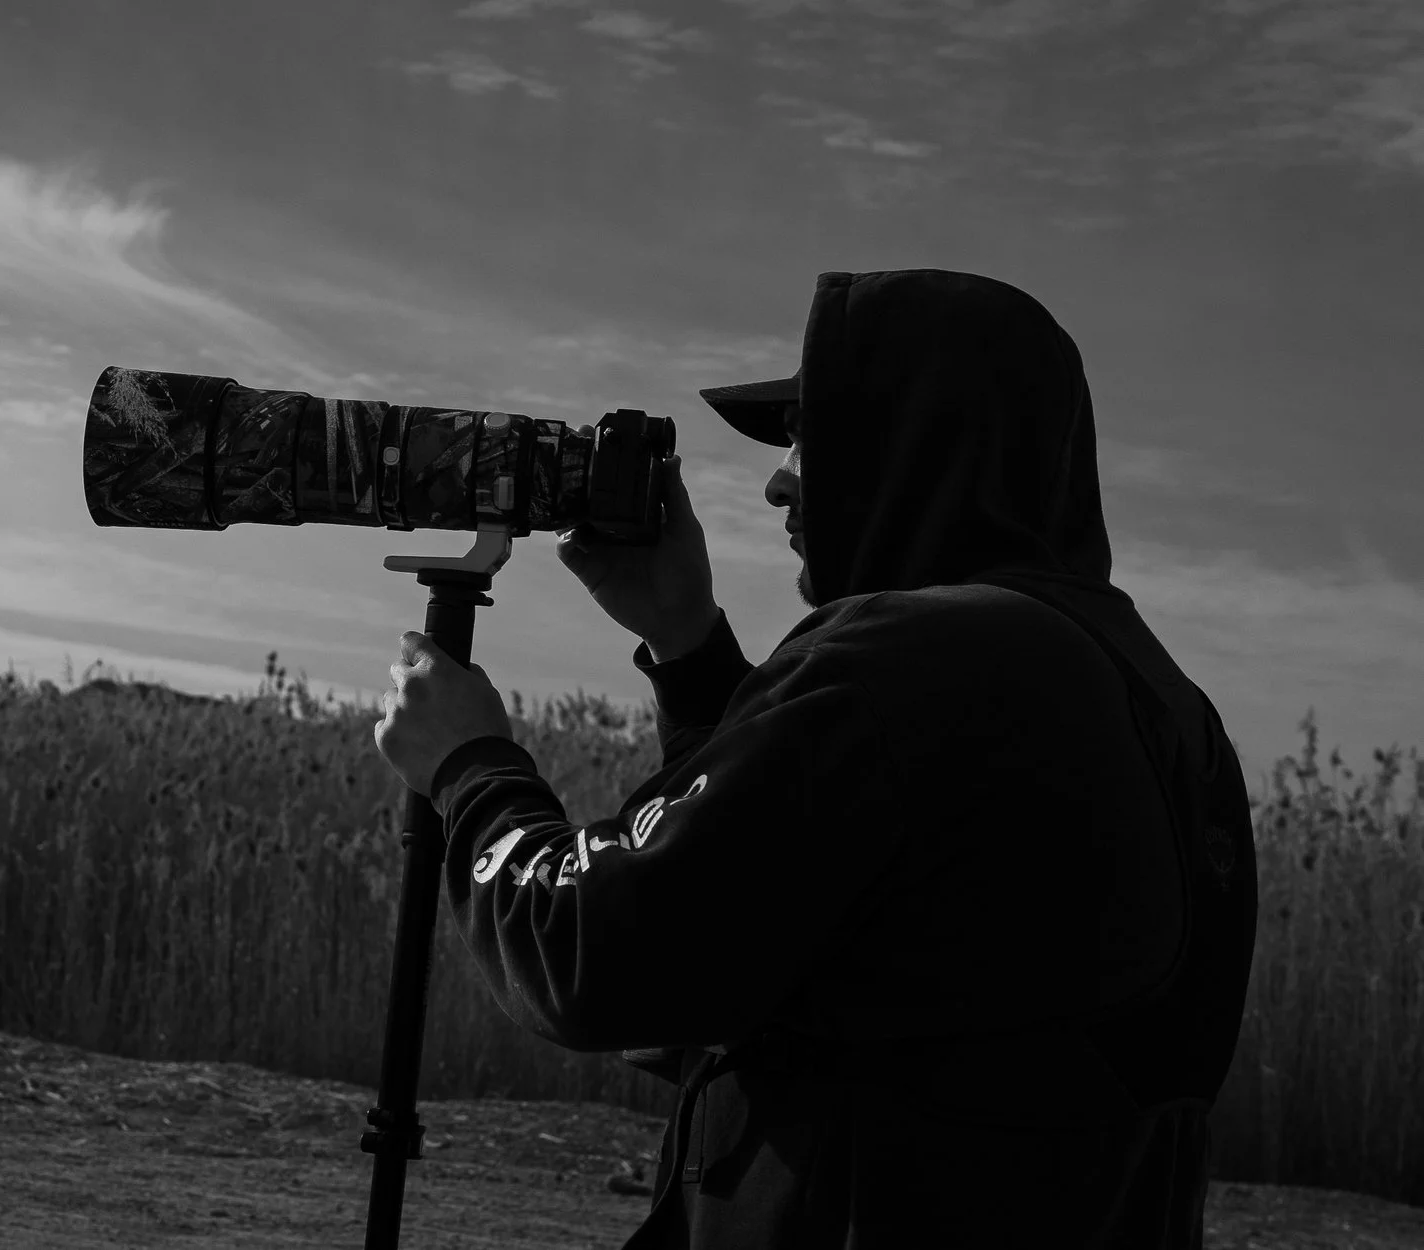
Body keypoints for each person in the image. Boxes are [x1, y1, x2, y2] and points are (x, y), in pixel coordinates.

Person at [372, 269, 1259, 1248]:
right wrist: (685, 638)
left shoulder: (907, 657)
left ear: (922, 443)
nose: (777, 479)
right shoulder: (1157, 698)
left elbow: (591, 947)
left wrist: (466, 764)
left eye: (811, 436)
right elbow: (824, 922)